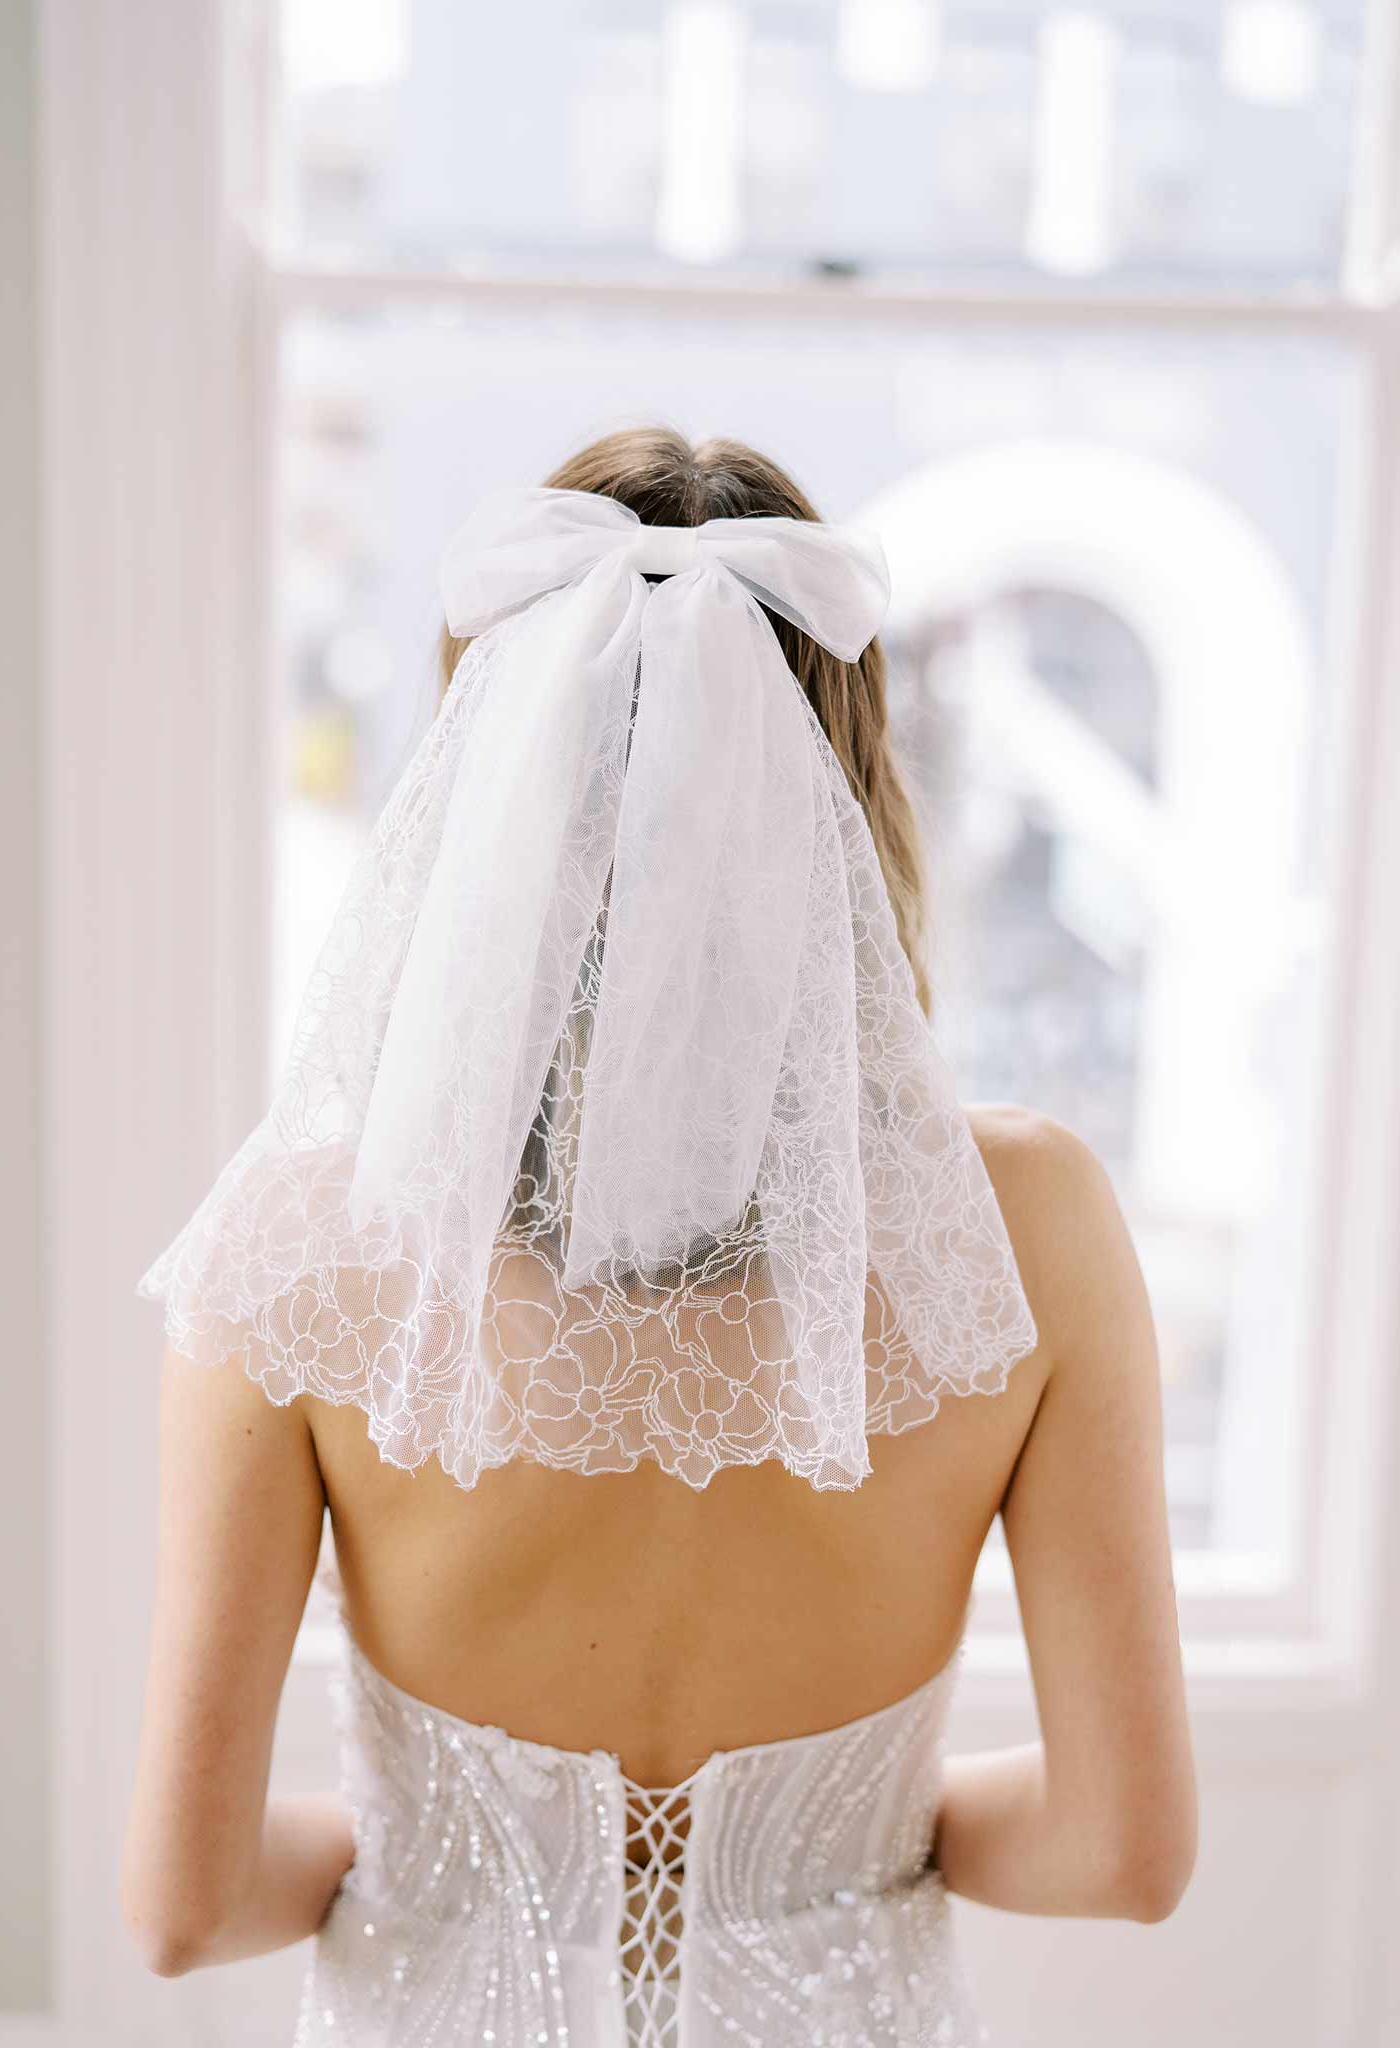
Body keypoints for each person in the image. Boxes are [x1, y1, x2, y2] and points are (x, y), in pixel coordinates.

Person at [121, 427, 1197, 2046]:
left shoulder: (305, 1246)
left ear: (486, 779)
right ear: (849, 784)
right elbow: (1124, 1854)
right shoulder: (1027, 1227)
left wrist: (456, 1865)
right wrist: (847, 1857)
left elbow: (184, 1906)